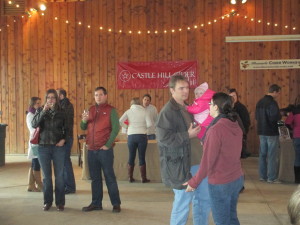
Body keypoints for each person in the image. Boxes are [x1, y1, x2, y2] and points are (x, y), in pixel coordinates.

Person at [156, 74, 211, 225]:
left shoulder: (188, 108)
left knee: (204, 200)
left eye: (187, 87)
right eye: (181, 88)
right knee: (182, 203)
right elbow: (163, 139)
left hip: (199, 161)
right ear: (172, 90)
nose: (185, 91)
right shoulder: (167, 112)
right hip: (181, 165)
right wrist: (186, 135)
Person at [185, 92, 244, 225]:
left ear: (216, 107)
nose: (208, 107)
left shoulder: (216, 130)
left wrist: (194, 182)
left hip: (221, 182)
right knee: (232, 217)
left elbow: (207, 162)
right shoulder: (234, 124)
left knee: (222, 221)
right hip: (236, 178)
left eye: (210, 104)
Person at [81, 86, 121, 213]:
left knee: (109, 177)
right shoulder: (91, 109)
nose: (98, 97)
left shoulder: (111, 110)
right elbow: (83, 127)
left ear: (105, 96)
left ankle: (116, 204)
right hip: (92, 150)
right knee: (95, 179)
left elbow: (116, 128)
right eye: (96, 95)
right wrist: (83, 120)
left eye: (100, 94)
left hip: (104, 151)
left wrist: (108, 145)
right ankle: (96, 203)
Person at [32, 89, 67, 211]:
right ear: (46, 99)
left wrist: (64, 140)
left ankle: (60, 202)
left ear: (56, 99)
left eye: (53, 98)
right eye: (48, 98)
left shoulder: (62, 112)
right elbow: (34, 124)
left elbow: (67, 129)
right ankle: (47, 202)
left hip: (58, 147)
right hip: (43, 147)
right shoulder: (40, 110)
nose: (51, 100)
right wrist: (43, 112)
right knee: (46, 177)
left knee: (60, 176)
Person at [119, 97, 152, 183]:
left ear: (131, 104)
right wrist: (143, 127)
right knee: (142, 157)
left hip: (131, 136)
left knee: (131, 156)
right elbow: (150, 124)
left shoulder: (128, 111)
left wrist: (127, 126)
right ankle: (143, 178)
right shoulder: (144, 111)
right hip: (142, 136)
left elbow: (120, 121)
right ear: (139, 103)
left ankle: (130, 177)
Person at [255, 84, 282, 183]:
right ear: (274, 92)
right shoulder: (272, 103)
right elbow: (274, 118)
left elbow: (257, 117)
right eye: (278, 92)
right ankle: (272, 177)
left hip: (261, 131)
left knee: (262, 154)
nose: (279, 94)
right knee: (272, 155)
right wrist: (280, 116)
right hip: (271, 132)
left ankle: (262, 176)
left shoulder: (260, 102)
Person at [56, 88, 76, 194]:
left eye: (56, 95)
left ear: (61, 96)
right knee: (63, 162)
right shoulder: (65, 105)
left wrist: (63, 138)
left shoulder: (65, 106)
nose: (54, 97)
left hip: (65, 138)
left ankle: (70, 187)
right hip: (65, 137)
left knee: (65, 163)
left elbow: (66, 124)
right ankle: (66, 186)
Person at [26, 97, 43, 192]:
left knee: (35, 162)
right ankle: (39, 184)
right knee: (36, 162)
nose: (39, 105)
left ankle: (31, 185)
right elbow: (33, 129)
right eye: (37, 103)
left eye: (40, 103)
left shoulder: (37, 113)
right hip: (35, 142)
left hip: (39, 141)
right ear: (32, 104)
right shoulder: (30, 115)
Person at [229, 88, 251, 158]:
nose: (233, 98)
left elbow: (246, 122)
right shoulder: (228, 108)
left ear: (237, 96)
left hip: (239, 134)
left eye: (234, 96)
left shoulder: (242, 108)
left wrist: (243, 134)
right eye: (231, 96)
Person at [285, 95, 300, 184]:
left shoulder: (294, 112)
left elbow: (287, 123)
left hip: (297, 136)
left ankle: (297, 180)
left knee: (297, 158)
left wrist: (292, 128)